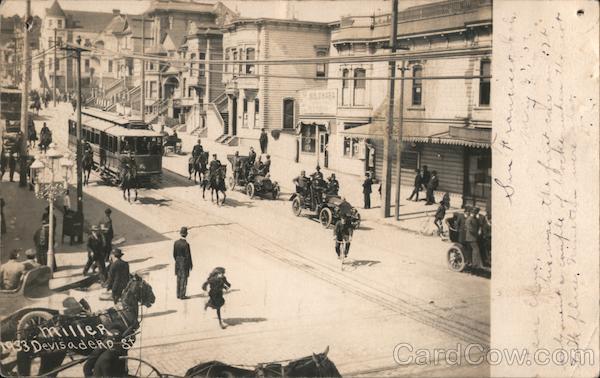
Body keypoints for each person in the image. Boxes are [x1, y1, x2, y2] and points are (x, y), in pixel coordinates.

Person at [173, 226, 193, 299]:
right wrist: (190, 265)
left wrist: (178, 260)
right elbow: (188, 256)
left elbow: (174, 254)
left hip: (178, 262)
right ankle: (182, 295)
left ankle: (178, 294)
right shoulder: (186, 244)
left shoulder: (176, 243)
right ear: (186, 234)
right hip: (184, 263)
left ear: (180, 233)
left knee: (178, 278)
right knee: (184, 279)